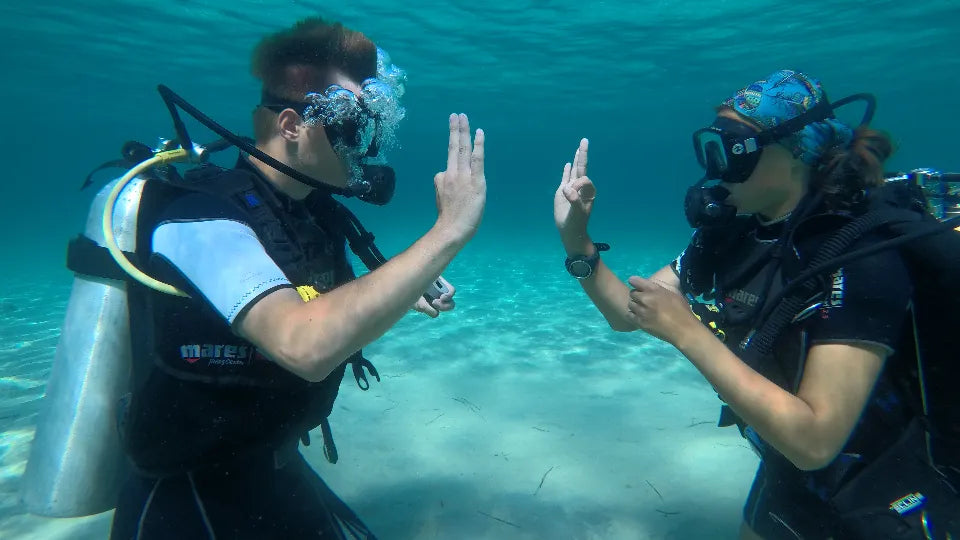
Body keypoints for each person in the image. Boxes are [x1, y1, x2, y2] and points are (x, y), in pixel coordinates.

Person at [105, 16, 487, 539]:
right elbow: (303, 342)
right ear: (290, 126)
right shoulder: (200, 217)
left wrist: (403, 288)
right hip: (189, 495)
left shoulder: (311, 212)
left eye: (372, 130)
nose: (365, 150)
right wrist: (448, 233)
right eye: (353, 130)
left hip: (269, 464)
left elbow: (330, 302)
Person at [554, 69, 959, 539]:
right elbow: (630, 313)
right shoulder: (734, 235)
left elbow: (815, 440)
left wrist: (687, 332)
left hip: (887, 492)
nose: (716, 165)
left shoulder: (862, 254)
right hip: (786, 470)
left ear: (796, 152)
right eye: (713, 146)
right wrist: (575, 238)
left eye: (734, 147)